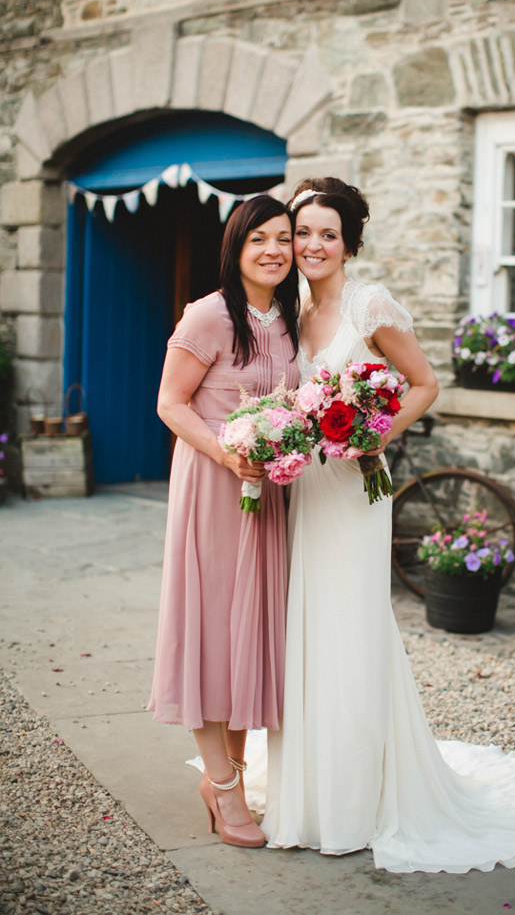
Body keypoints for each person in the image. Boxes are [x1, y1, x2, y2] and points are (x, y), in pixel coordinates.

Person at [260, 178, 515, 872]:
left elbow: (423, 383)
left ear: (349, 241)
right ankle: (308, 791)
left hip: (354, 489)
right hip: (303, 488)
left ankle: (357, 801)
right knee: (304, 628)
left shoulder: (369, 304)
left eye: (327, 233)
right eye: (303, 232)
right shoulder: (288, 306)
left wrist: (375, 435)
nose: (312, 245)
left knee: (352, 627)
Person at [148, 195, 299, 848]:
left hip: (269, 497)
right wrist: (225, 451)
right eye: (258, 238)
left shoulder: (291, 317)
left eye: (283, 238)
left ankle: (226, 776)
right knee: (211, 632)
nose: (273, 250)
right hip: (214, 486)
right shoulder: (207, 316)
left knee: (247, 637)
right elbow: (170, 403)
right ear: (236, 248)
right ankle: (226, 789)